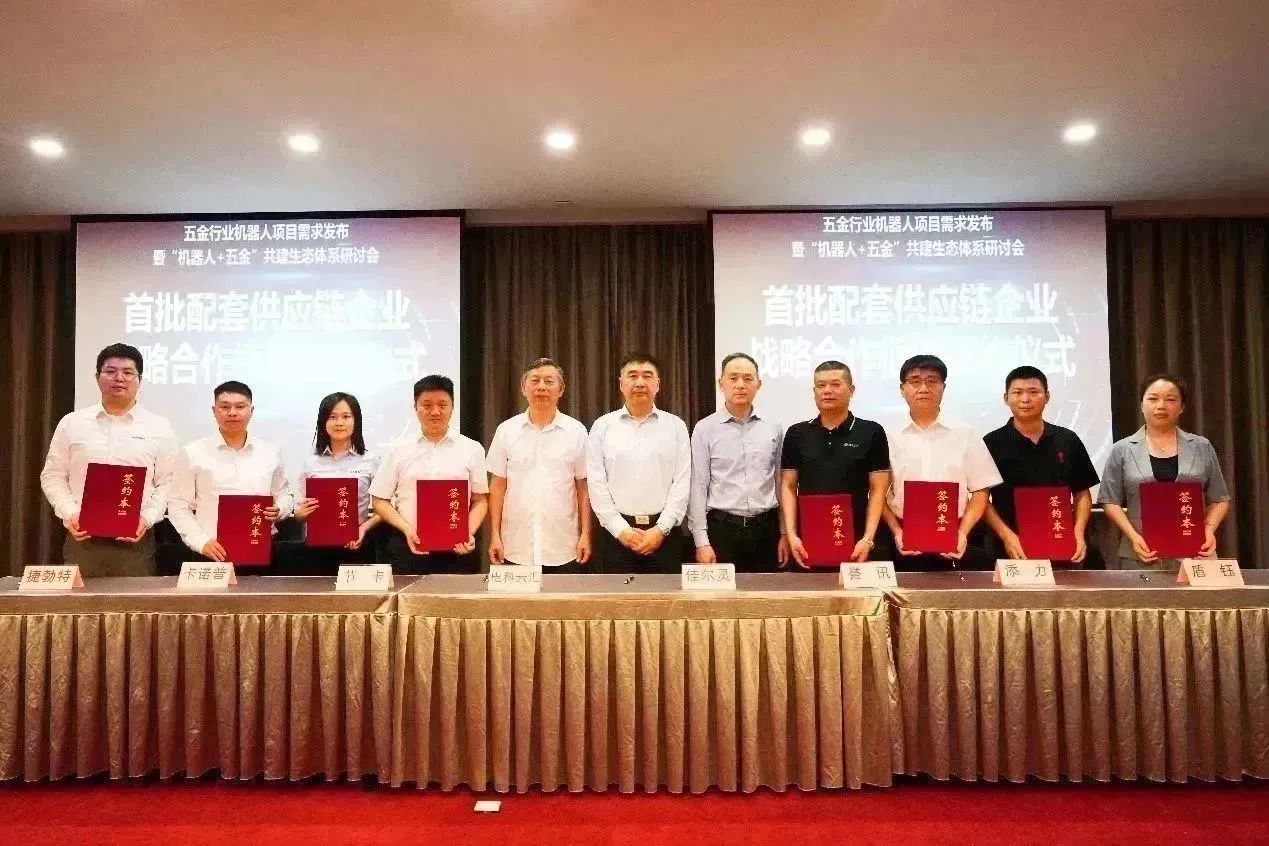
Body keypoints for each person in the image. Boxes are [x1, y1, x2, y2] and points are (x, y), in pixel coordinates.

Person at [39, 343, 178, 576]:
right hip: (82, 539)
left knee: (134, 600)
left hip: (136, 542)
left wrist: (146, 518)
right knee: (80, 600)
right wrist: (70, 512)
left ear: (139, 380)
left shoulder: (159, 427)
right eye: (110, 371)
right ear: (97, 377)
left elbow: (169, 482)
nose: (119, 378)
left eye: (128, 372)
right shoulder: (72, 423)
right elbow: (53, 476)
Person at [881, 354, 1002, 571]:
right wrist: (896, 531)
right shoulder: (887, 436)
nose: (923, 388)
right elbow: (876, 493)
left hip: (956, 536)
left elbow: (981, 490)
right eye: (915, 381)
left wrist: (962, 533)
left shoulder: (965, 432)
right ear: (902, 389)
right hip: (901, 537)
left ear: (943, 388)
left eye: (932, 381)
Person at [1098, 374, 1230, 571]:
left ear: (1182, 407)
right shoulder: (1122, 449)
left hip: (1195, 553)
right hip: (1140, 554)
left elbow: (1220, 499)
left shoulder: (1201, 446)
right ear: (1141, 404)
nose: (1161, 405)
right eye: (1153, 398)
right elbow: (1109, 500)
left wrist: (1208, 530)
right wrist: (1133, 537)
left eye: (1170, 399)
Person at [370, 375, 488, 574]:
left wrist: (468, 532)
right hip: (408, 546)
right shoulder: (398, 449)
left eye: (442, 405)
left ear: (452, 407)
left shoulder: (472, 448)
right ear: (415, 407)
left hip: (456, 550)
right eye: (426, 405)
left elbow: (480, 500)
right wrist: (406, 528)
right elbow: (379, 500)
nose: (435, 411)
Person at [983, 366, 1100, 565]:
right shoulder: (991, 442)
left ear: (1047, 396)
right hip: (1011, 548)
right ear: (1006, 398)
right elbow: (981, 499)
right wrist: (1007, 536)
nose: (1025, 399)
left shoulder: (1068, 440)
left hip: (1062, 544)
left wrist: (1078, 533)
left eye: (1033, 392)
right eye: (1017, 392)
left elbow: (1082, 493)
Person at [167, 381, 294, 562]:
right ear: (214, 410)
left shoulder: (269, 452)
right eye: (225, 407)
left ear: (251, 410)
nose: (232, 412)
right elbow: (178, 504)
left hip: (260, 547)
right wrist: (201, 541)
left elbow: (284, 494)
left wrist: (280, 509)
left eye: (240, 407)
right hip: (210, 551)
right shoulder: (192, 452)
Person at [587, 352, 691, 573]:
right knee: (617, 596)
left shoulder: (676, 426)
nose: (640, 383)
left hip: (665, 536)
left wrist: (661, 529)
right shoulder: (602, 426)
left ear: (658, 384)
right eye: (633, 376)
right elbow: (596, 484)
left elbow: (682, 482)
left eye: (647, 376)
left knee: (666, 596)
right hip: (615, 537)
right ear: (621, 384)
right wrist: (621, 530)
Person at [780, 361, 891, 568]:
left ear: (851, 390)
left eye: (835, 384)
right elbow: (788, 486)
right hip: (806, 542)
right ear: (814, 392)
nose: (827, 391)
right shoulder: (796, 433)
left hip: (858, 541)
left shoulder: (871, 432)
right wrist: (792, 535)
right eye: (821, 385)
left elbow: (878, 490)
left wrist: (868, 538)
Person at [487, 358, 592, 573]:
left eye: (549, 381)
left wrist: (586, 534)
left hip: (563, 546)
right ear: (523, 388)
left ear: (561, 390)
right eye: (534, 381)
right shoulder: (506, 430)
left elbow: (583, 487)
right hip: (515, 545)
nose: (541, 387)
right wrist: (494, 535)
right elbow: (497, 486)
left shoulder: (577, 431)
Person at [689, 353, 788, 571]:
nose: (740, 385)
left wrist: (784, 533)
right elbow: (698, 487)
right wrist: (701, 541)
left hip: (766, 529)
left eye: (748, 378)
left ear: (758, 385)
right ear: (721, 383)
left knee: (767, 592)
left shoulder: (773, 428)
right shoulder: (705, 429)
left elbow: (780, 483)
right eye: (733, 378)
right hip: (722, 530)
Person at [288, 392, 384, 573]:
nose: (339, 423)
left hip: (357, 546)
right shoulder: (310, 462)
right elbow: (299, 512)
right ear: (323, 422)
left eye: (346, 416)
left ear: (356, 421)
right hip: (317, 549)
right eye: (332, 417)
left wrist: (363, 528)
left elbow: (384, 508)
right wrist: (300, 513)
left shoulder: (371, 460)